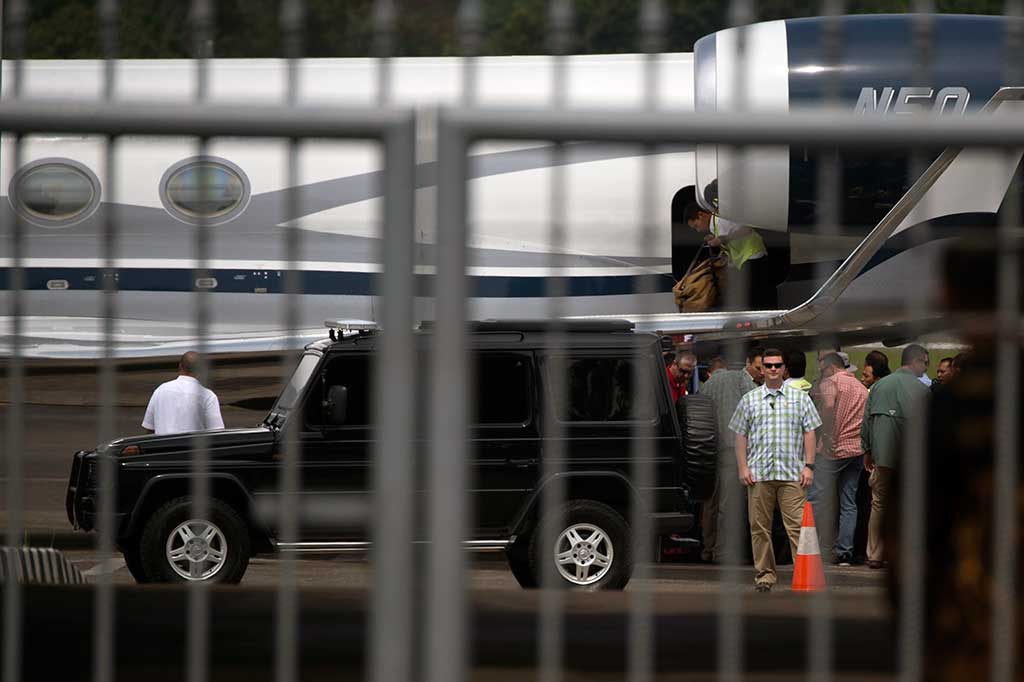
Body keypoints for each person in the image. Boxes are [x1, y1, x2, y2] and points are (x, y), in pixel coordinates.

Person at [729, 348, 822, 592]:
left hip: (792, 473)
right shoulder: (749, 399)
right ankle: (765, 576)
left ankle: (805, 575)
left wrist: (809, 466)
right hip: (759, 473)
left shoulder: (800, 398)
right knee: (759, 527)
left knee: (798, 528)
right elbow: (740, 435)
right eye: (768, 365)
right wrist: (743, 467)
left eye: (777, 365)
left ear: (784, 369)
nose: (772, 369)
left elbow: (810, 432)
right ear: (761, 369)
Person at [860, 343, 930, 569]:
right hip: (910, 461)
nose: (926, 368)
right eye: (925, 363)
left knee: (878, 505)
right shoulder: (922, 390)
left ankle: (875, 554)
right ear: (916, 361)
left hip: (881, 458)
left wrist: (868, 451)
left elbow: (867, 423)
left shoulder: (879, 387)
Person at [698, 350, 759, 563]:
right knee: (729, 503)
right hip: (735, 449)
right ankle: (724, 552)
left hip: (709, 450)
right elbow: (756, 406)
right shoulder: (743, 380)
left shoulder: (708, 385)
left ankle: (708, 548)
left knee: (710, 502)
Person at [808, 353, 869, 566]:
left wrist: (825, 434)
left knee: (816, 497)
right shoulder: (860, 387)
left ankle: (810, 548)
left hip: (833, 450)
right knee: (849, 503)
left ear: (830, 367)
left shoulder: (830, 383)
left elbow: (828, 408)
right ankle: (845, 552)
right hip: (857, 450)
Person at [683, 202, 779, 309]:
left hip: (752, 254)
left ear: (701, 215)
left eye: (696, 226)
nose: (698, 230)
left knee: (755, 295)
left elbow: (745, 229)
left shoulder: (720, 220)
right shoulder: (713, 226)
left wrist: (722, 239)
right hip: (745, 257)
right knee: (755, 294)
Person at [142, 351, 225, 436]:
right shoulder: (208, 396)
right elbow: (217, 433)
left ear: (180, 366)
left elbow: (150, 429)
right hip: (192, 448)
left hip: (162, 448)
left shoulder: (160, 391)